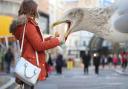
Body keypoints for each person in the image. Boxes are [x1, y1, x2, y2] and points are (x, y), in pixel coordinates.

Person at [10, 0, 64, 89]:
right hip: (30, 65)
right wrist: (57, 41)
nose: (37, 11)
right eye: (36, 9)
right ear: (31, 10)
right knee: (29, 86)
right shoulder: (28, 25)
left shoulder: (23, 25)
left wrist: (52, 38)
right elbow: (39, 46)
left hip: (27, 63)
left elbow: (35, 42)